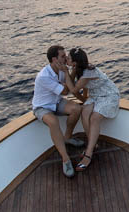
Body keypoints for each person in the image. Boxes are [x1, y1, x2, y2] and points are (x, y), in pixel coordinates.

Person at [32, 45, 84, 178]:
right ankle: (66, 159)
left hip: (56, 102)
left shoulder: (61, 70)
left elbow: (70, 84)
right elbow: (66, 90)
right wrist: (66, 74)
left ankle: (67, 137)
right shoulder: (43, 76)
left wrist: (72, 70)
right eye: (63, 56)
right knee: (53, 122)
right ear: (54, 59)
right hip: (42, 107)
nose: (66, 58)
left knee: (77, 108)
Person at [67, 48, 120, 171]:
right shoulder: (78, 69)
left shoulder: (88, 72)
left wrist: (65, 74)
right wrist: (85, 100)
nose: (67, 59)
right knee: (84, 112)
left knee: (94, 118)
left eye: (69, 58)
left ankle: (88, 154)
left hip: (108, 94)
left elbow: (73, 90)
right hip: (95, 95)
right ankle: (93, 143)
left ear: (76, 62)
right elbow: (85, 87)